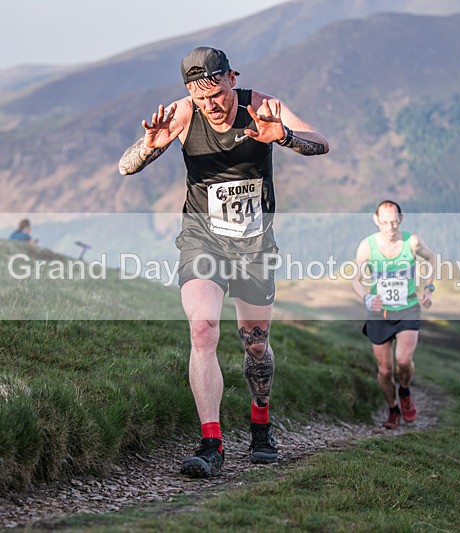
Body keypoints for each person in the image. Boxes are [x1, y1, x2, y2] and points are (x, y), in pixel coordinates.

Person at [118, 47, 329, 478]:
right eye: (201, 98)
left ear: (232, 78)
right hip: (203, 240)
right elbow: (125, 168)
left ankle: (261, 426)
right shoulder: (181, 113)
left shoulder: (261, 106)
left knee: (255, 347)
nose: (211, 105)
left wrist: (282, 137)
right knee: (202, 329)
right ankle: (211, 442)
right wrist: (149, 147)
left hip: (254, 247)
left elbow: (322, 144)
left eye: (217, 93)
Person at [351, 200, 436, 429]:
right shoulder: (367, 246)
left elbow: (431, 259)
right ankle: (393, 410)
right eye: (385, 222)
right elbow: (355, 280)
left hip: (408, 308)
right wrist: (367, 298)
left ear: (401, 219)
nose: (390, 227)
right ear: (376, 220)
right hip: (380, 313)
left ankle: (405, 391)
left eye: (394, 222)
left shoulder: (412, 242)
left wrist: (428, 289)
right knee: (385, 370)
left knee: (403, 361)